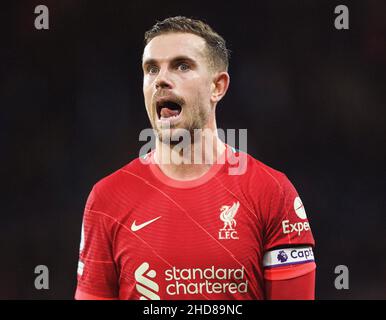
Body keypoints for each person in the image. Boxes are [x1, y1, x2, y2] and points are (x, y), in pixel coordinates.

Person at [75, 16, 316, 300]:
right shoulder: (106, 199)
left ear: (218, 87)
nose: (161, 79)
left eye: (182, 66)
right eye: (151, 69)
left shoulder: (272, 193)